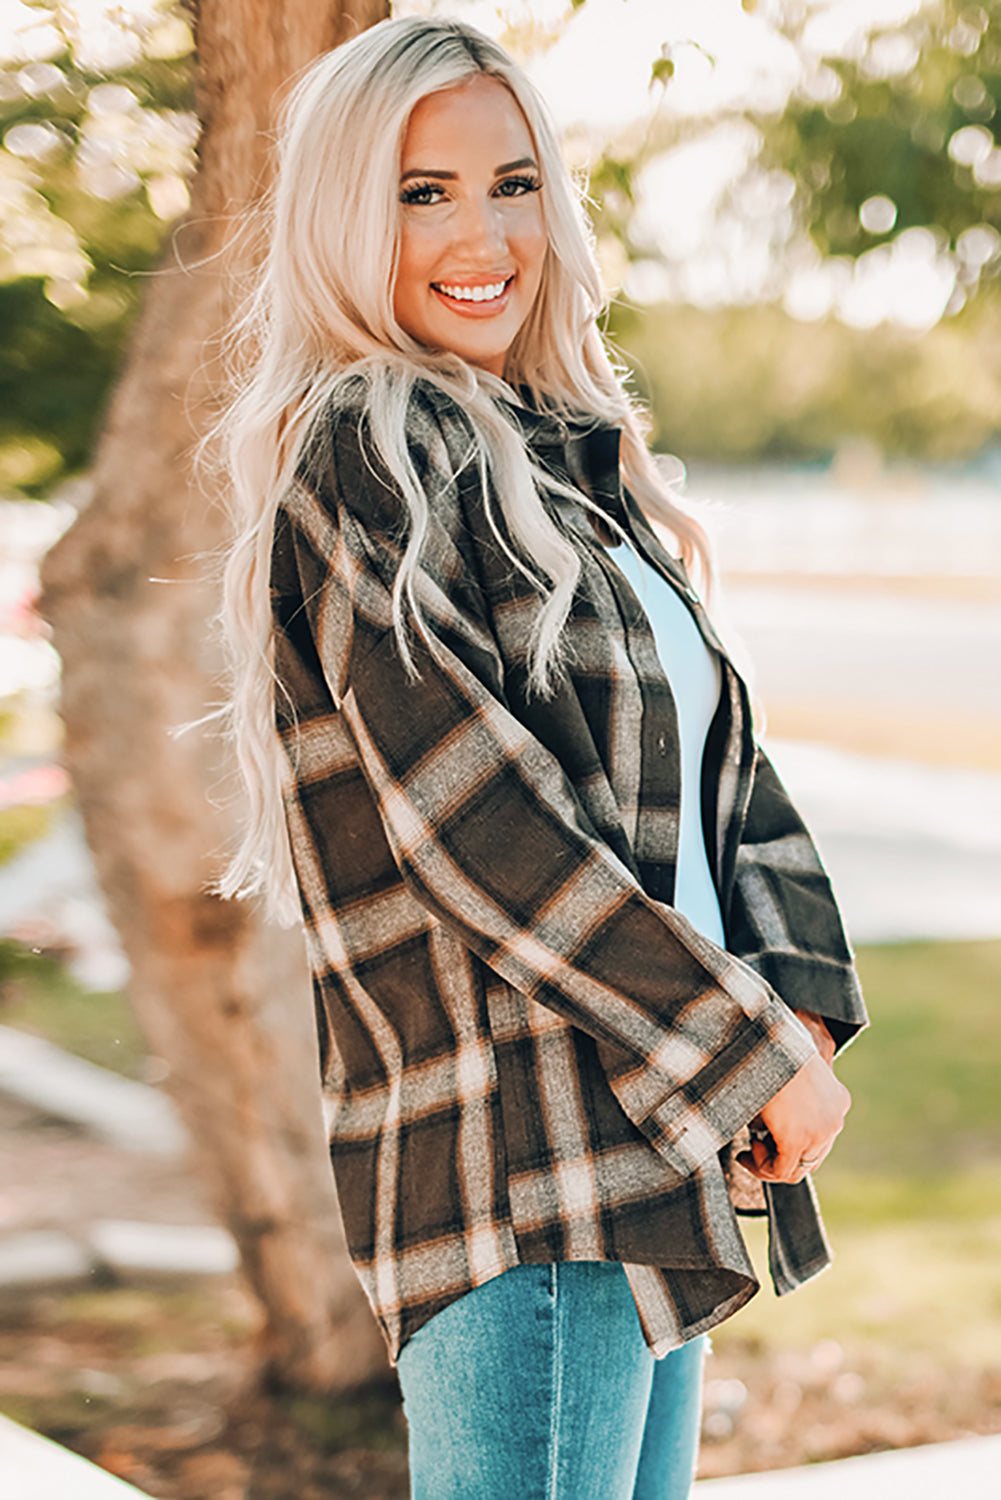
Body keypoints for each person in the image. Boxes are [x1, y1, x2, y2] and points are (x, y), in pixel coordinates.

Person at [211, 15, 868, 1499]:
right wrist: (743, 1046)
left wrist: (801, 1003)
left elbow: (722, 776)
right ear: (340, 216)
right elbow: (482, 833)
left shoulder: (565, 462)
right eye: (420, 193)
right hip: (523, 1167)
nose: (481, 233)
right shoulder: (369, 452)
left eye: (510, 182)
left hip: (658, 1146)